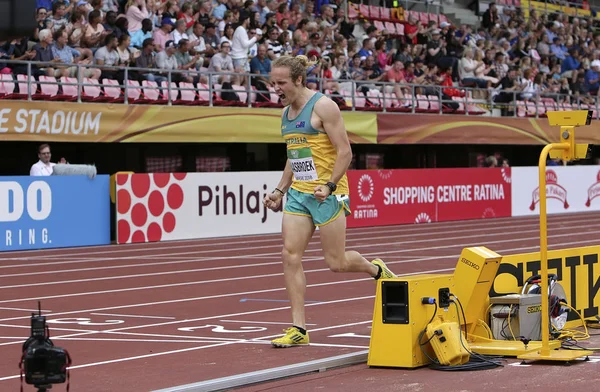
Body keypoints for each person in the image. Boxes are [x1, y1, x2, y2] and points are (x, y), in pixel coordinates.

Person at [263, 55, 397, 348]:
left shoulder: (324, 106)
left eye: (281, 82)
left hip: (329, 193)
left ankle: (376, 270)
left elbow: (345, 152)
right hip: (299, 194)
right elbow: (295, 155)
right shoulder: (286, 113)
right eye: (274, 82)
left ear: (298, 80)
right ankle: (299, 328)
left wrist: (329, 184)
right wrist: (280, 190)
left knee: (336, 263)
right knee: (289, 254)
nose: (276, 88)